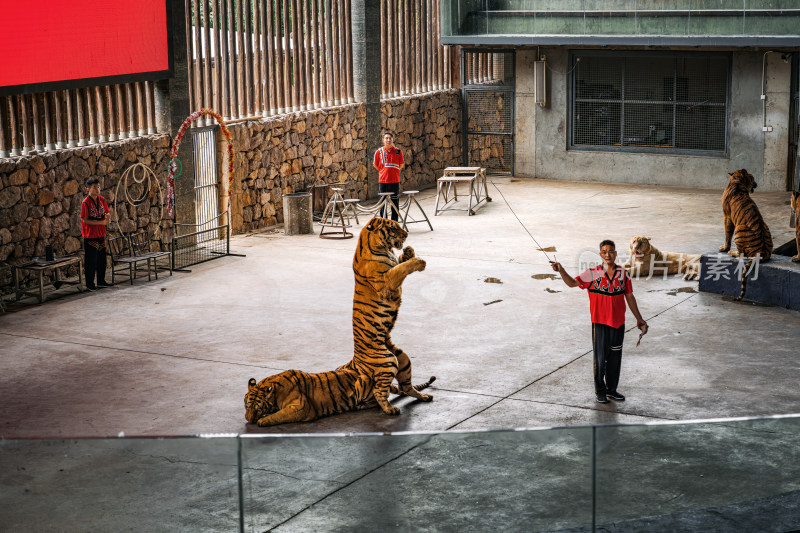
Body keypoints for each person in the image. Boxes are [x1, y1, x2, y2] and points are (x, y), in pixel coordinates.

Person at [550, 240, 647, 404]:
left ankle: (611, 390)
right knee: (600, 359)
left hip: (618, 323)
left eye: (611, 251)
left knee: (615, 359)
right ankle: (600, 391)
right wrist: (561, 270)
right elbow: (573, 283)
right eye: (604, 251)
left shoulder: (624, 274)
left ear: (615, 254)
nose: (607, 254)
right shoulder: (592, 273)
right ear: (600, 254)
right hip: (600, 323)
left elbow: (629, 296)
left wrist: (639, 318)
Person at [80, 177, 111, 291]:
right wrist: (101, 222)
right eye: (94, 187)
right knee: (91, 262)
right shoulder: (85, 203)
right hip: (90, 236)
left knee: (102, 260)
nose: (97, 189)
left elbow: (107, 212)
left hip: (101, 234)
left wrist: (108, 217)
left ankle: (101, 281)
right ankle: (89, 284)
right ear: (88, 189)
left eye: (98, 186)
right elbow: (85, 220)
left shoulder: (102, 200)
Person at [373, 132, 404, 221]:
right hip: (383, 181)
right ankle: (384, 221)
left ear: (392, 140)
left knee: (395, 202)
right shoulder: (378, 152)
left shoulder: (398, 151)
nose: (388, 140)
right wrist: (383, 171)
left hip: (394, 180)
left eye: (390, 138)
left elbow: (401, 165)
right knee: (383, 203)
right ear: (383, 140)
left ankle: (394, 222)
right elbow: (376, 165)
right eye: (386, 138)